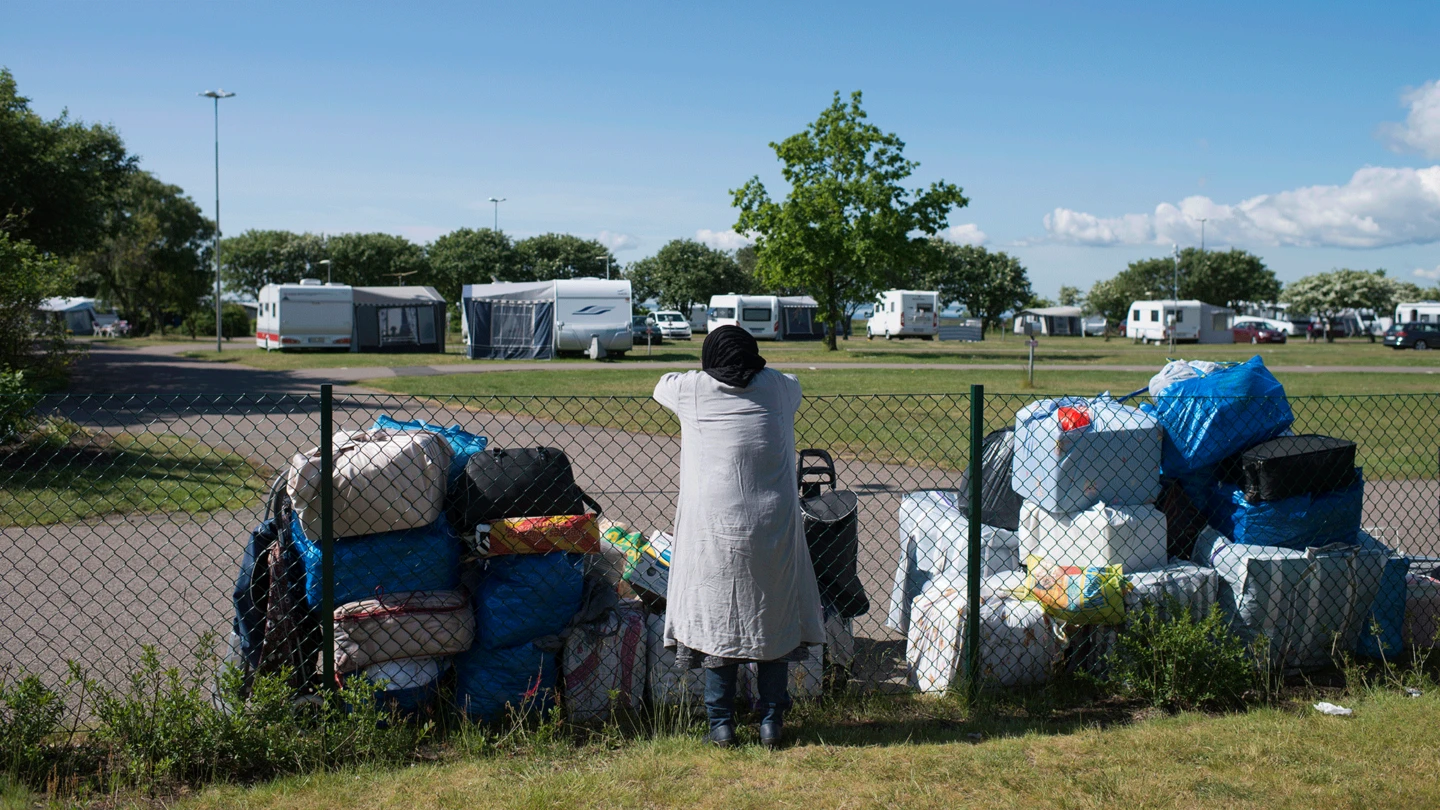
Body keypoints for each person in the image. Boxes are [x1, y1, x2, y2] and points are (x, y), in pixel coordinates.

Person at [652, 325, 824, 749]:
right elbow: (792, 381)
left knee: (718, 622)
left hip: (715, 531)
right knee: (774, 620)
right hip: (774, 527)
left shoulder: (692, 389)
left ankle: (721, 725)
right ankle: (770, 722)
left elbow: (662, 385)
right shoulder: (782, 389)